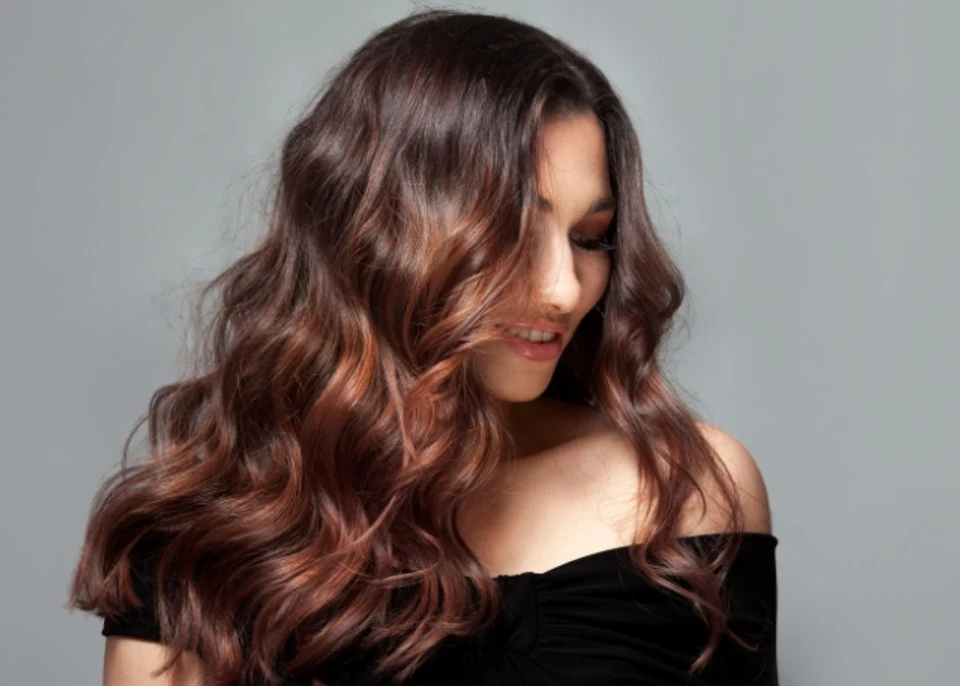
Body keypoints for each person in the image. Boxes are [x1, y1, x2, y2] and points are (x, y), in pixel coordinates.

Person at [68, 8, 778, 685]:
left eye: (590, 238)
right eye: (511, 236)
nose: (563, 289)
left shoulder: (684, 488)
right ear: (383, 236)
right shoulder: (201, 545)